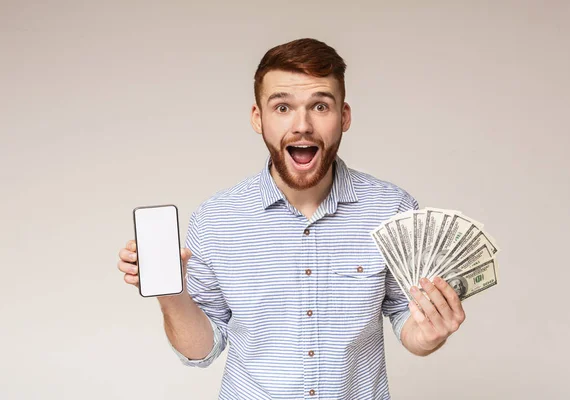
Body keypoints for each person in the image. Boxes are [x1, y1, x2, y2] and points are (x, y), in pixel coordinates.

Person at [117, 38, 466, 399]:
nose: (302, 125)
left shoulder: (392, 210)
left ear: (344, 116)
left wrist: (428, 335)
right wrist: (171, 295)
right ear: (259, 118)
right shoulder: (215, 219)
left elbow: (406, 321)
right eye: (282, 107)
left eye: (319, 105)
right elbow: (201, 351)